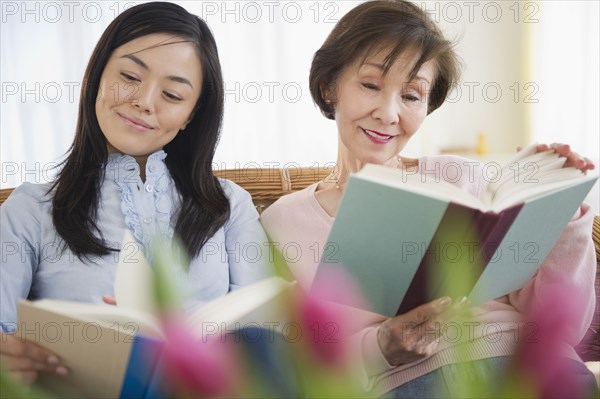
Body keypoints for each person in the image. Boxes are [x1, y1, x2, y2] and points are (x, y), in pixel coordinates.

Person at [260, 0, 597, 397]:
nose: (388, 114)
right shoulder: (285, 219)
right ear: (329, 86)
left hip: (531, 364)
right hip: (412, 384)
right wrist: (382, 345)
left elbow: (567, 325)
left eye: (412, 95)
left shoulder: (463, 177)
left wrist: (564, 211)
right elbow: (299, 359)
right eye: (370, 85)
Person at [0, 2, 270, 384]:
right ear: (97, 76)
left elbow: (268, 331)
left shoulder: (229, 205)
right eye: (129, 75)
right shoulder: (30, 209)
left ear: (191, 114)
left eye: (173, 96)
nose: (144, 101)